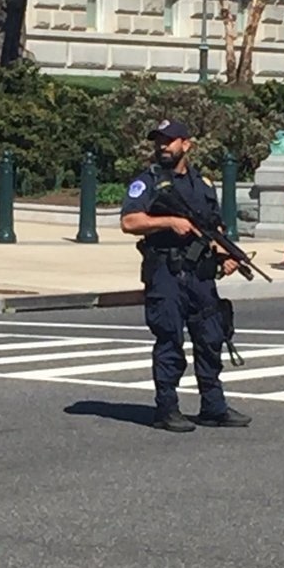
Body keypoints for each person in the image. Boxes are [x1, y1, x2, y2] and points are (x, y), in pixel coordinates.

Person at [120, 118, 252, 433]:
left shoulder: (203, 185)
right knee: (170, 338)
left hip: (200, 273)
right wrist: (168, 222)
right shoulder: (148, 181)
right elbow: (129, 221)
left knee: (210, 337)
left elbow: (214, 228)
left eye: (169, 140)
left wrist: (225, 256)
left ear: (186, 144)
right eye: (159, 141)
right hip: (165, 272)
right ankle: (167, 409)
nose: (162, 146)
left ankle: (213, 407)